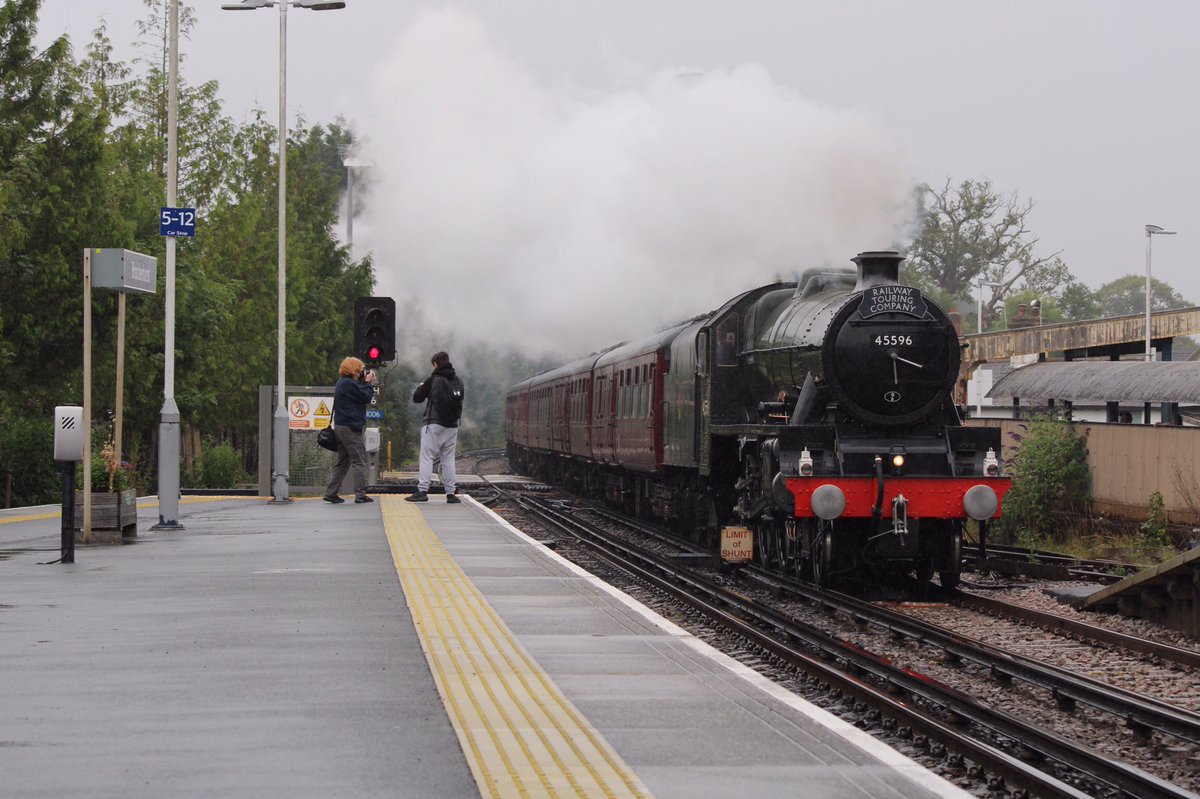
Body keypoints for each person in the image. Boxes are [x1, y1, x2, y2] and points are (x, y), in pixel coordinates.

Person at [406, 351, 465, 503]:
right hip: (452, 426)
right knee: (448, 459)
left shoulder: (433, 379)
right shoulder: (458, 381)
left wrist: (421, 387)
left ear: (435, 364)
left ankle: (423, 491)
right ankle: (451, 494)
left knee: (426, 457)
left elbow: (417, 398)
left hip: (433, 424)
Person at [323, 356, 378, 504]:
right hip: (350, 428)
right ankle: (360, 494)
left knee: (343, 461)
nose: (361, 373)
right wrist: (368, 383)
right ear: (354, 370)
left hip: (341, 426)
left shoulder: (342, 383)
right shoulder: (348, 384)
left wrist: (363, 383)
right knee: (358, 461)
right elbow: (366, 397)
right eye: (360, 370)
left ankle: (331, 492)